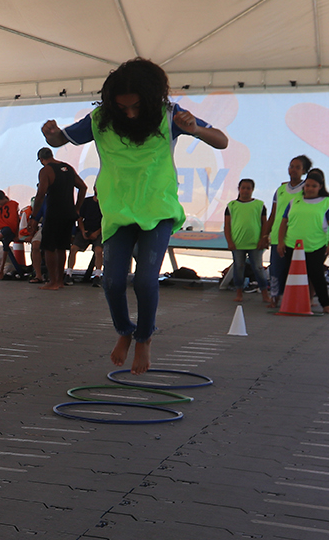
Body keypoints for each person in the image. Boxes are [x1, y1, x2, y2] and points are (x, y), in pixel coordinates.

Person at [42, 58, 229, 373]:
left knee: (145, 280)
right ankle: (125, 331)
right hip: (117, 213)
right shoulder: (101, 119)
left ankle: (144, 338)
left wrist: (194, 129)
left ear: (152, 98)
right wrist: (51, 134)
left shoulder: (169, 115)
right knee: (112, 282)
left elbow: (221, 141)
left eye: (136, 106)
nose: (128, 113)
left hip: (157, 212)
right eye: (121, 107)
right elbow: (60, 140)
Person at [277, 168, 329, 315]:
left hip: (316, 246)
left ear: (320, 187)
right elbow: (283, 223)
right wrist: (281, 242)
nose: (310, 189)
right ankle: (289, 302)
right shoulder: (294, 201)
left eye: (314, 186)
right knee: (289, 275)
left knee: (316, 275)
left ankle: (325, 304)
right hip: (292, 245)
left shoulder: (327, 202)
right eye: (307, 185)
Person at [33, 147, 87, 290]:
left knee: (49, 247)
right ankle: (60, 281)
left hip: (54, 213)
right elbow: (83, 187)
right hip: (69, 213)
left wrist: (34, 216)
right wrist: (77, 207)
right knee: (62, 247)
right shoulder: (67, 168)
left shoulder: (46, 171)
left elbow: (40, 195)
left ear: (42, 160)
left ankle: (53, 281)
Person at [265, 155, 311, 303]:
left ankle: (296, 298)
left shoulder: (307, 189)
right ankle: (274, 297)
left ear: (304, 171)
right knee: (276, 268)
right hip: (277, 235)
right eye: (291, 166)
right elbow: (273, 214)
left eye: (298, 167)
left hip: (295, 236)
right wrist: (265, 234)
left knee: (295, 268)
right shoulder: (280, 190)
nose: (293, 170)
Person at [224, 178, 274, 306]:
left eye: (248, 188)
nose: (245, 191)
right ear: (239, 189)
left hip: (255, 244)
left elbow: (265, 223)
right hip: (238, 243)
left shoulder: (259, 205)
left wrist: (264, 238)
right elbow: (227, 226)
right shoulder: (231, 206)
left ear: (253, 190)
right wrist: (230, 241)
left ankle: (265, 294)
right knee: (238, 267)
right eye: (243, 188)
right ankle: (239, 293)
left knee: (258, 268)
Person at [68, 189, 104, 284]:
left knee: (98, 250)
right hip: (86, 229)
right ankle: (69, 273)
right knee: (73, 248)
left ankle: (97, 275)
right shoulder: (87, 201)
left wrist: (96, 233)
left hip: (99, 231)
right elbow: (80, 219)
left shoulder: (105, 203)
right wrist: (83, 231)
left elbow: (106, 220)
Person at [0, 190, 23, 279]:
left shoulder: (13, 205)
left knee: (7, 231)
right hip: (3, 231)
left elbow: (16, 220)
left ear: (4, 198)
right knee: (5, 243)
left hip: (10, 230)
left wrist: (17, 234)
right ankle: (1, 270)